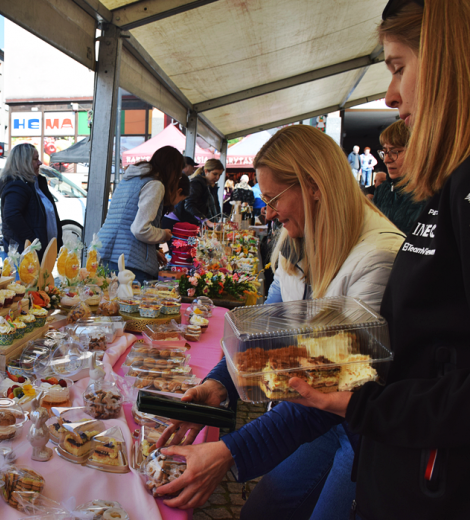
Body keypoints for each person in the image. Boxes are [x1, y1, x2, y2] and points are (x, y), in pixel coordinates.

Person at [154, 125, 405, 519]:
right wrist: (220, 384)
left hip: (358, 429)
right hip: (313, 415)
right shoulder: (298, 237)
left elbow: (333, 383)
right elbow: (264, 330)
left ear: (313, 186)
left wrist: (232, 450)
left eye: (273, 198)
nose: (267, 211)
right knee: (263, 510)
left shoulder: (378, 256)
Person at [291, 2, 470, 518]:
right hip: (399, 470)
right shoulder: (451, 186)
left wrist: (360, 401)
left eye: (398, 67)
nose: (391, 96)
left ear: (444, 61)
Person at [97, 146, 182, 282]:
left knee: (111, 301)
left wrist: (151, 253)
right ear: (172, 170)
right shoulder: (155, 184)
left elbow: (124, 223)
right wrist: (163, 235)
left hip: (108, 253)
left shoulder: (129, 179)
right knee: (130, 302)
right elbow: (140, 229)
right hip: (130, 263)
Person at [0, 143, 63, 260]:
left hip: (36, 255)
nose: (40, 163)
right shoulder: (17, 185)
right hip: (24, 258)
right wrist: (33, 242)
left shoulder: (35, 184)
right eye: (35, 159)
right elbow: (12, 216)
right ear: (24, 162)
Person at [373, 119, 426, 232]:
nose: (386, 160)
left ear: (418, 151)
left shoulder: (429, 192)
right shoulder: (383, 190)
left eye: (395, 152)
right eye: (385, 152)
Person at [174, 159, 224, 224]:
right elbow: (189, 205)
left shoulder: (207, 185)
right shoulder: (196, 184)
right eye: (215, 174)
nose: (217, 178)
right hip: (179, 222)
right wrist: (205, 220)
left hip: (187, 222)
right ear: (206, 171)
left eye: (220, 175)